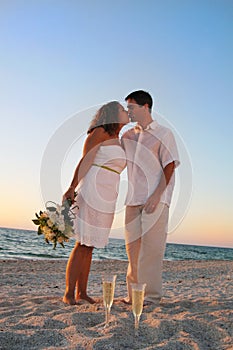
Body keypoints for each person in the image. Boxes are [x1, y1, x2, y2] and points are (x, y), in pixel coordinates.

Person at [62, 101, 129, 305]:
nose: (126, 112)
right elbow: (85, 160)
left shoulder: (119, 140)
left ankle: (82, 292)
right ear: (112, 114)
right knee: (82, 242)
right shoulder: (99, 132)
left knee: (90, 245)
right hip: (93, 187)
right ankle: (68, 293)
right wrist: (72, 187)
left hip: (109, 193)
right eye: (122, 110)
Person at [121, 90, 180, 304]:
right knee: (133, 251)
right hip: (132, 200)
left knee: (152, 250)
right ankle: (133, 295)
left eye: (131, 107)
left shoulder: (164, 134)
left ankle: (151, 297)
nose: (128, 112)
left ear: (145, 107)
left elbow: (170, 165)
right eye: (127, 108)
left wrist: (157, 195)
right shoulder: (128, 136)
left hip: (156, 199)